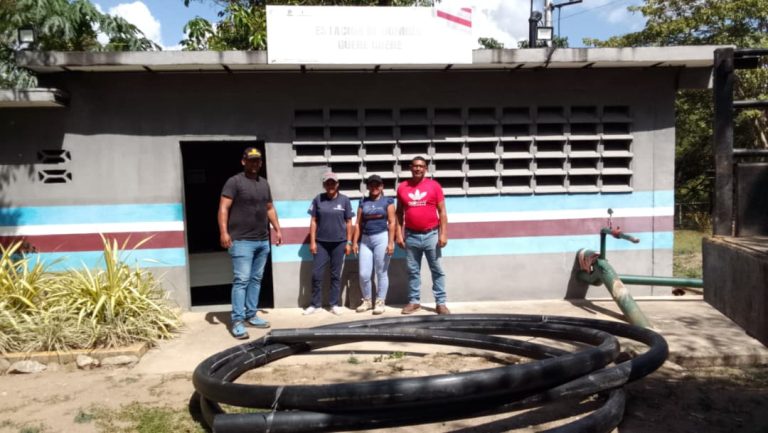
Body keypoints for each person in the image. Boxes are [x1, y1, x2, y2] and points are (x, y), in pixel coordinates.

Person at [218, 147, 282, 340]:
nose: (254, 163)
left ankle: (251, 315)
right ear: (243, 161)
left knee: (256, 280)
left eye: (257, 161)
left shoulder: (264, 184)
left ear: (260, 163)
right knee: (242, 280)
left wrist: (277, 230)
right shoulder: (234, 182)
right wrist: (223, 232)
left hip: (262, 240)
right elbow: (223, 208)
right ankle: (237, 321)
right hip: (241, 241)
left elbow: (269, 208)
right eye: (251, 160)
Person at [396, 156, 450, 315]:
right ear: (410, 168)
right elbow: (399, 213)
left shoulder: (434, 186)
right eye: (415, 166)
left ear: (425, 168)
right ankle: (414, 302)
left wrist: (443, 234)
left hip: (432, 235)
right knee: (413, 270)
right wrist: (399, 234)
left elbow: (442, 211)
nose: (418, 169)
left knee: (437, 270)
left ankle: (440, 303)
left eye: (421, 166)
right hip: (411, 236)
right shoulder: (402, 187)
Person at [304, 171, 354, 315]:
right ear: (324, 185)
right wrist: (312, 242)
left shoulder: (345, 200)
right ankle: (315, 304)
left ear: (337, 184)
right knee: (316, 274)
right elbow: (313, 221)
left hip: (339, 243)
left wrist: (349, 242)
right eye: (328, 183)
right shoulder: (318, 199)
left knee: (335, 275)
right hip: (321, 243)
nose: (330, 185)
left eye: (333, 183)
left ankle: (334, 304)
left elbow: (349, 221)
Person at [351, 174, 396, 315]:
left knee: (381, 272)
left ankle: (380, 302)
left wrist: (390, 242)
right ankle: (367, 300)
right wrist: (354, 242)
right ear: (368, 187)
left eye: (377, 185)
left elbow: (392, 222)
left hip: (381, 238)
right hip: (365, 239)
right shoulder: (363, 202)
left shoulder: (387, 201)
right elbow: (357, 224)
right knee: (364, 274)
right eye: (371, 185)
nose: (374, 187)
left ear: (382, 186)